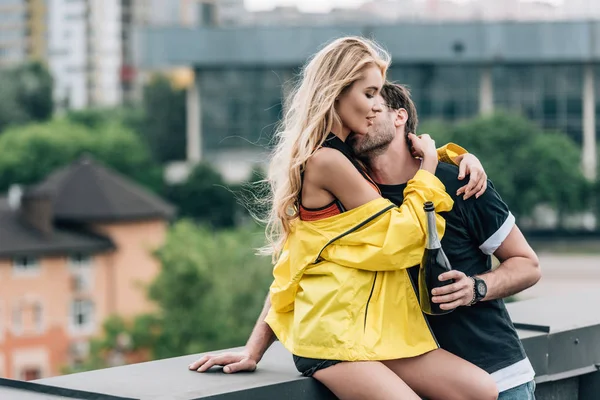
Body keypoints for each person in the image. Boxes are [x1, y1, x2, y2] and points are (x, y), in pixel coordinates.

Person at [190, 36, 499, 400]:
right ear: (337, 91)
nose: (375, 106)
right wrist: (429, 171)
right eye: (368, 94)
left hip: (372, 334)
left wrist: (457, 157)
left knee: (481, 391)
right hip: (333, 338)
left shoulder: (349, 158)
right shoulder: (327, 162)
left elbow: (296, 261)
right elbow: (403, 240)